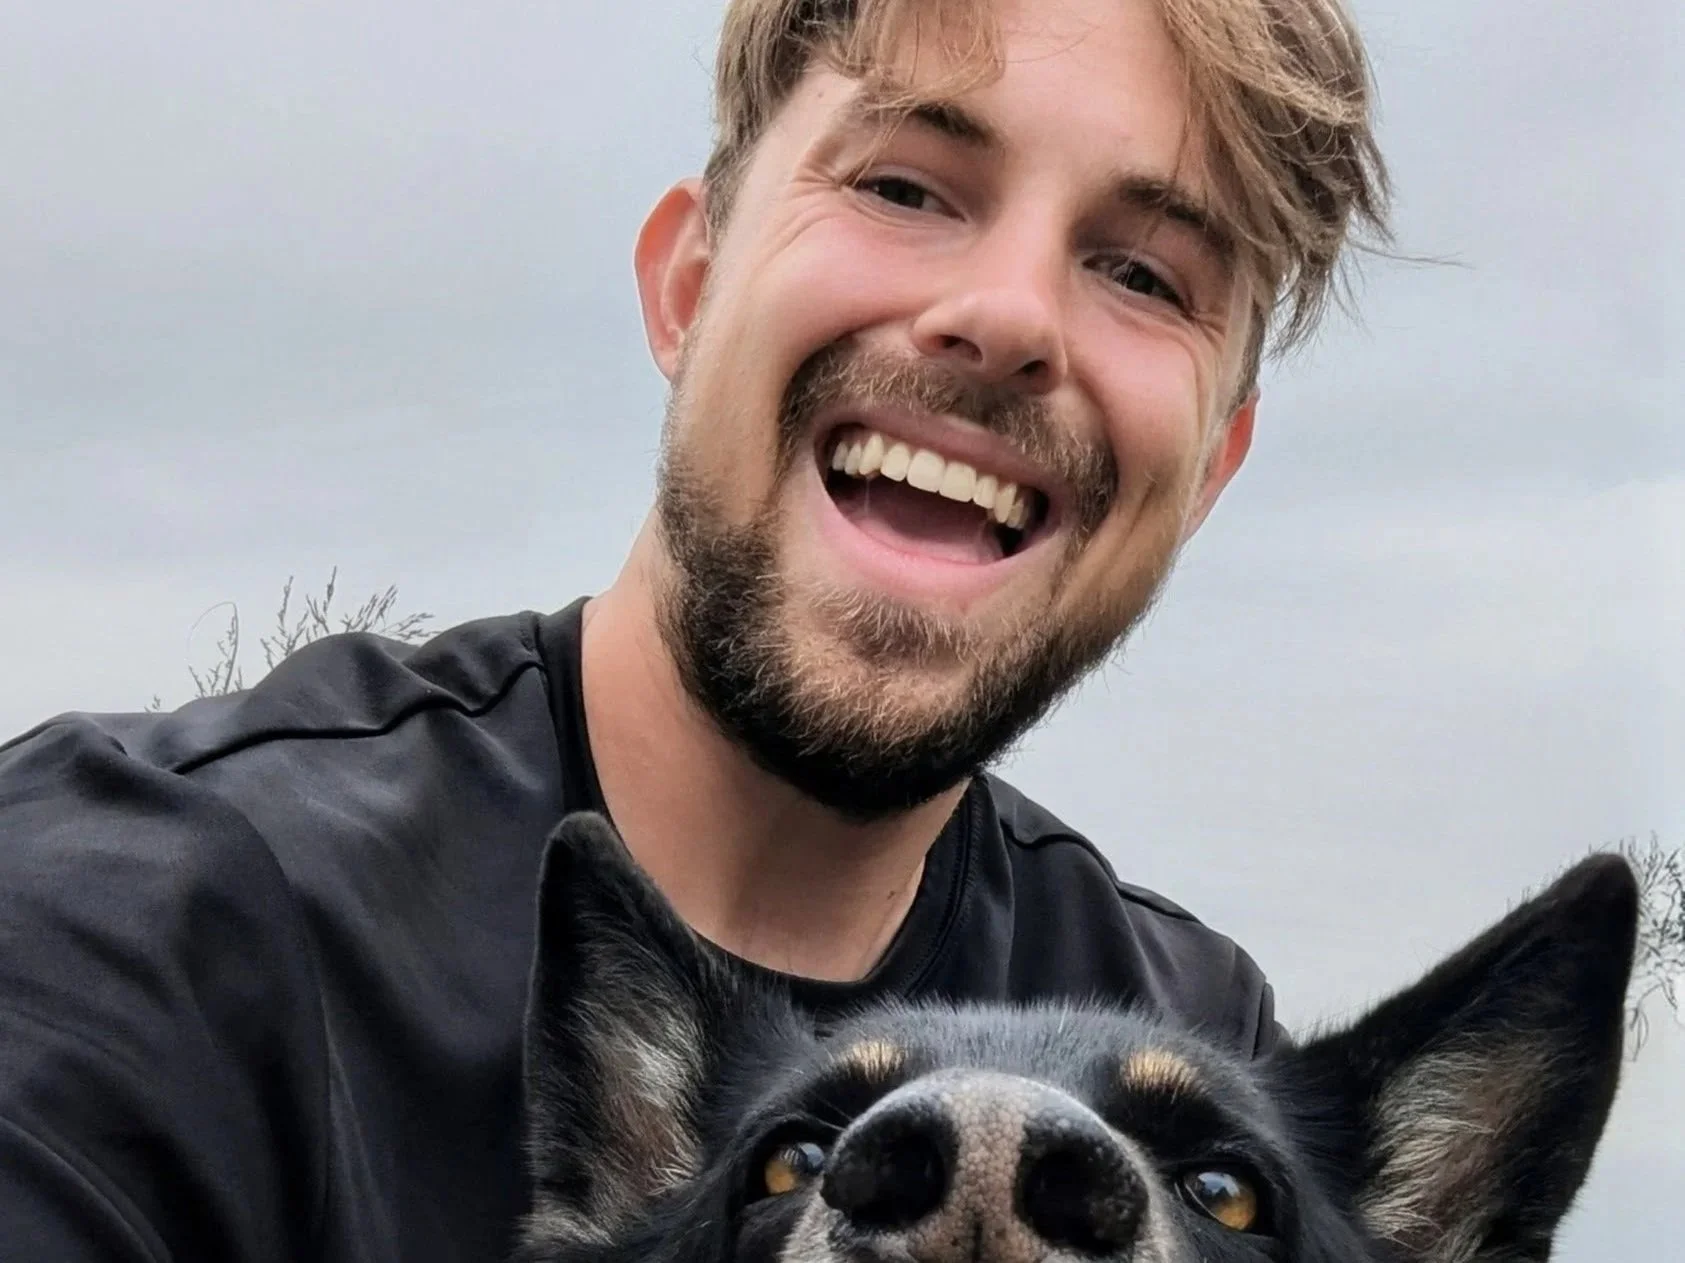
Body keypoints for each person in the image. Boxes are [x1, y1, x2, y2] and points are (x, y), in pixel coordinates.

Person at [0, 0, 1389, 1257]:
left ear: (1208, 469)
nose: (1012, 316)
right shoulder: (130, 927)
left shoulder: (1208, 1034)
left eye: (1144, 275)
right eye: (907, 185)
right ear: (687, 284)